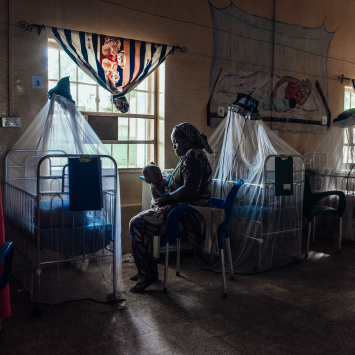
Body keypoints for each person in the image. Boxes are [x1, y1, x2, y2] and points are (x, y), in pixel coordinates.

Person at [129, 123, 213, 293]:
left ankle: (148, 272)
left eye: (176, 142)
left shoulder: (193, 156)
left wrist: (167, 197)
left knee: (137, 224)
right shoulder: (191, 156)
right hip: (179, 210)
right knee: (138, 220)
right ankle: (147, 269)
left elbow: (191, 188)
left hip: (185, 215)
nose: (174, 146)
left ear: (188, 140)